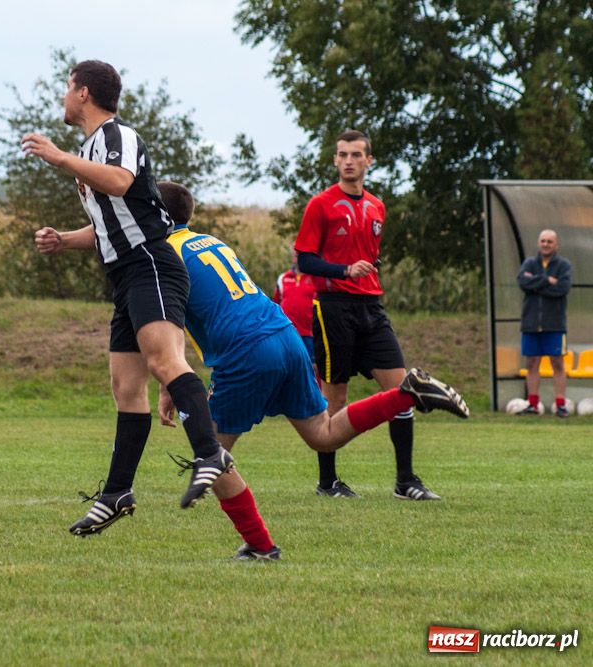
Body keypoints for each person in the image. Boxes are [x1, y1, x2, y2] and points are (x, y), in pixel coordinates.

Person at [155, 182, 469, 558]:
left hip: (245, 349)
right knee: (323, 434)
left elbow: (167, 325)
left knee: (212, 455)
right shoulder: (208, 241)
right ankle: (407, 392)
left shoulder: (161, 256)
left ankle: (260, 544)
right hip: (284, 333)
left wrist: (168, 383)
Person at [23, 60, 234, 535]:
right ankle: (117, 493)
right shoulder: (90, 148)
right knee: (125, 388)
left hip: (151, 265)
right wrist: (66, 239)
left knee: (165, 363)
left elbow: (119, 182)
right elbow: (110, 223)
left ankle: (209, 452)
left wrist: (58, 158)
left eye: (66, 87)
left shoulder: (119, 136)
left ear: (82, 93)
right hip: (125, 275)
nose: (62, 96)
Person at [295, 129, 445, 501]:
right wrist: (344, 271)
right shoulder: (320, 204)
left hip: (371, 310)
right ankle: (328, 482)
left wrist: (360, 273)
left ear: (369, 161)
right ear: (335, 160)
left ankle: (406, 481)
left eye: (356, 155)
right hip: (332, 310)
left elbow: (368, 256)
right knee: (335, 398)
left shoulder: (377, 206)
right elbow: (306, 259)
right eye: (342, 154)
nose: (348, 160)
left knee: (401, 392)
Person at [517, 229, 572, 417]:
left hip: (555, 325)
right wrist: (547, 280)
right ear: (538, 243)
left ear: (556, 245)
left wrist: (535, 284)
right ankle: (532, 404)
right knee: (532, 363)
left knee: (557, 362)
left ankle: (561, 405)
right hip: (531, 324)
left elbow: (562, 289)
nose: (546, 244)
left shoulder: (564, 265)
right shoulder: (529, 263)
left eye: (550, 241)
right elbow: (522, 282)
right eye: (543, 241)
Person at [273, 250, 318, 364]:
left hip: (309, 334)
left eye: (298, 251)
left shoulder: (316, 278)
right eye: (294, 251)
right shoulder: (283, 278)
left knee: (312, 369)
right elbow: (276, 305)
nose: (295, 253)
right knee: (287, 366)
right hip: (287, 333)